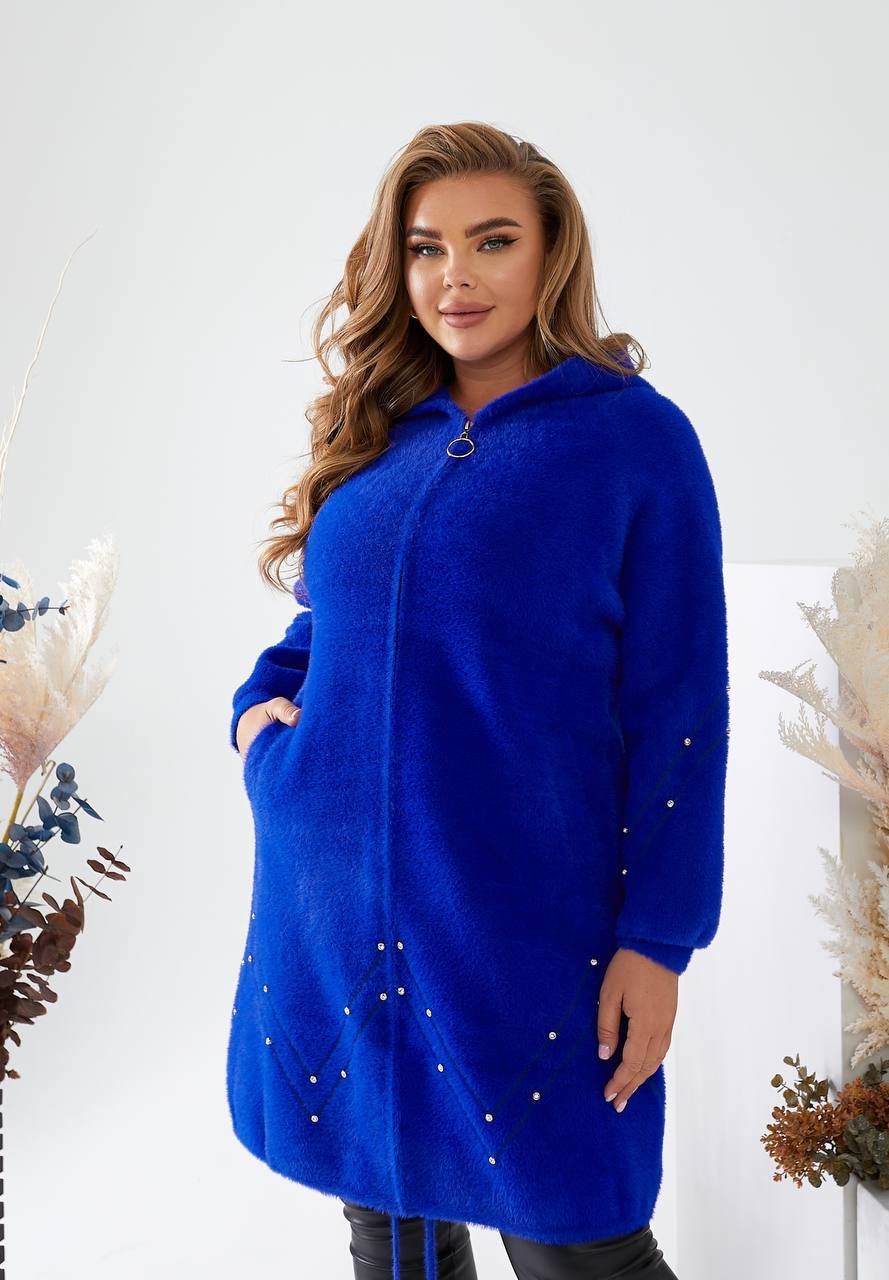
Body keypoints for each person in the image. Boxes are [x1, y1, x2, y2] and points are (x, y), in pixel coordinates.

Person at [226, 121, 729, 1280]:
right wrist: (259, 716)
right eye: (427, 247)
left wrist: (658, 938)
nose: (456, 276)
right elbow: (328, 628)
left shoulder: (632, 441)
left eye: (492, 241)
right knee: (389, 1227)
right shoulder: (378, 432)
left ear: (552, 251)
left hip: (523, 924)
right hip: (333, 901)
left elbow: (681, 710)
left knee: (577, 1244)